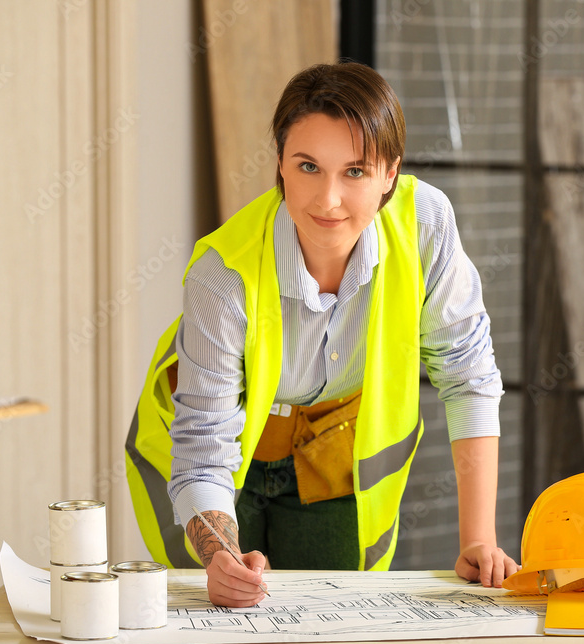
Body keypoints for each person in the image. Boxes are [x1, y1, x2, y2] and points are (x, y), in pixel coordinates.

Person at [163, 61, 518, 607]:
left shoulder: (425, 226)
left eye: (355, 171)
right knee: (223, 631)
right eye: (308, 166)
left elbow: (468, 376)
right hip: (223, 462)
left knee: (323, 631)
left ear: (389, 175)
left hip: (329, 460)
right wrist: (221, 559)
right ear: (280, 163)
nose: (327, 199)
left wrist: (478, 540)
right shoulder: (223, 276)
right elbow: (204, 447)